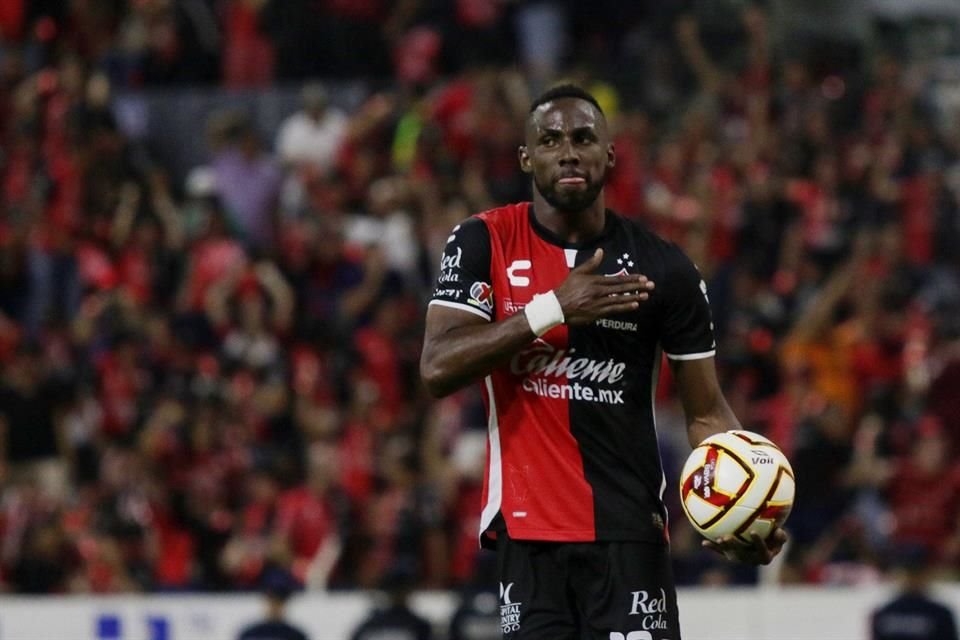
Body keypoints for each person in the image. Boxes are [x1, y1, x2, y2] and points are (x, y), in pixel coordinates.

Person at [419, 84, 787, 639]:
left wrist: (746, 505)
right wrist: (552, 310)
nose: (568, 151)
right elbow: (437, 367)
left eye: (584, 138)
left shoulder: (665, 269)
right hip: (529, 542)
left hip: (630, 541)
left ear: (609, 155)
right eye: (550, 139)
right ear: (526, 157)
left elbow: (707, 412)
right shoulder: (482, 241)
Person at [870, 546, 959, 640]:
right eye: (909, 572)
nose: (912, 577)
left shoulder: (940, 614)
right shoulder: (884, 613)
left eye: (917, 572)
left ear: (927, 573)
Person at [235, 574, 309, 640]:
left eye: (279, 601)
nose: (274, 605)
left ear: (285, 603)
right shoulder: (249, 634)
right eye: (270, 599)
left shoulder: (296, 636)